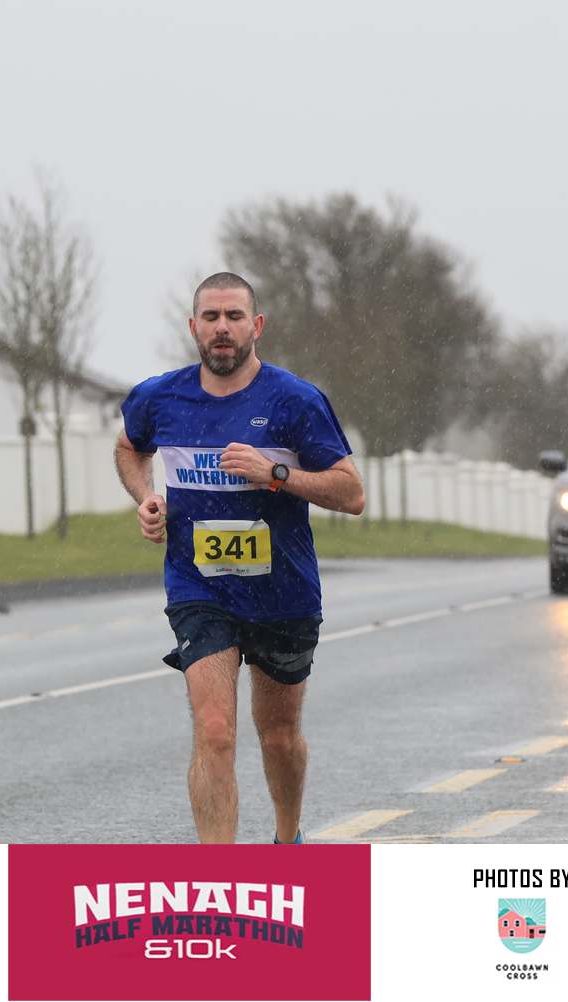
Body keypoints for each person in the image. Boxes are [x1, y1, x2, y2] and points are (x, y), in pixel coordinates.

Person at [113, 272, 365, 844]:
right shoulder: (161, 397)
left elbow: (351, 494)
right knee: (214, 730)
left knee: (278, 736)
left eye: (233, 317)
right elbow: (129, 446)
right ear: (193, 327)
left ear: (257, 326)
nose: (222, 328)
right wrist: (146, 496)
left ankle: (286, 841)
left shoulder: (295, 401)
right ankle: (220, 878)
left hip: (283, 592)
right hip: (200, 588)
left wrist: (275, 473)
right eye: (211, 317)